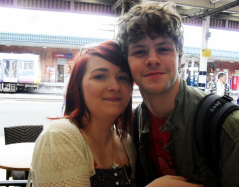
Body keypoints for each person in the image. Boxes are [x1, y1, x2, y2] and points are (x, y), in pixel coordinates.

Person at [116, 1, 239, 187]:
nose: (152, 60)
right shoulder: (133, 126)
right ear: (127, 63)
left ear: (179, 57)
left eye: (163, 49)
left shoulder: (227, 127)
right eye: (140, 52)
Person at [29, 41, 136, 186]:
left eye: (123, 77)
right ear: (77, 86)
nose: (115, 86)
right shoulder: (60, 136)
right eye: (99, 76)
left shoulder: (126, 142)